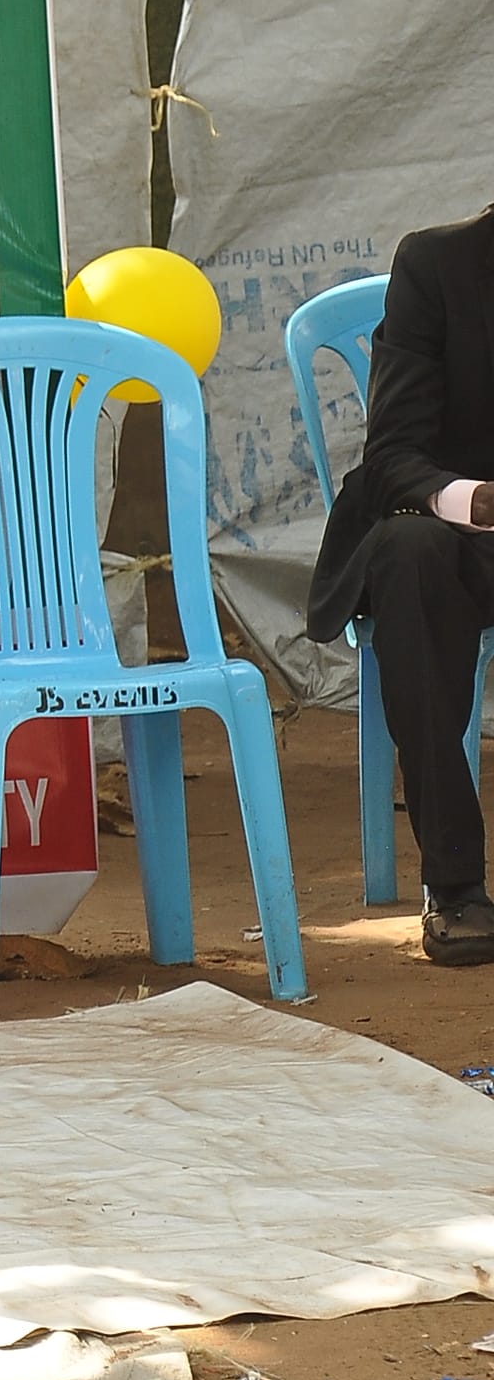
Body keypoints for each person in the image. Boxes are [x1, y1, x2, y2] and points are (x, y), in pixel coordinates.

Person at [309, 210, 494, 964]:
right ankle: (455, 886)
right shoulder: (439, 265)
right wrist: (476, 501)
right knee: (408, 554)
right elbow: (393, 456)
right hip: (457, 530)